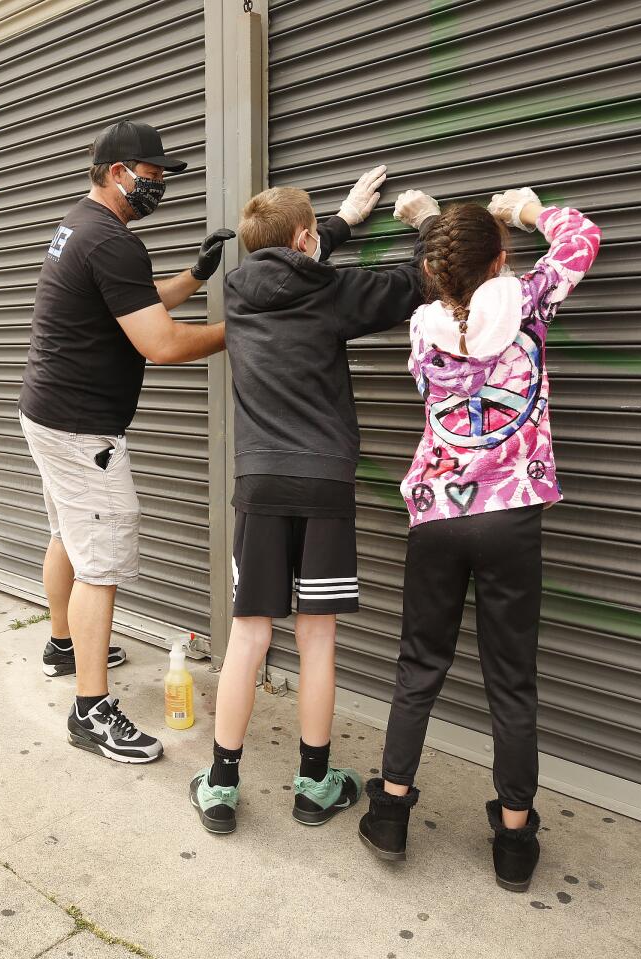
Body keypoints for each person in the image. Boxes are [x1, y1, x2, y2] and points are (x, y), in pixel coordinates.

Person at [357, 189, 601, 893]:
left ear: (434, 271)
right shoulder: (528, 302)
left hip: (437, 513)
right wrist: (527, 210)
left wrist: (430, 222)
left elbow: (450, 277)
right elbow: (581, 237)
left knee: (418, 666)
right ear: (501, 260)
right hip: (512, 514)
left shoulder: (421, 329)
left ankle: (393, 811)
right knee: (511, 680)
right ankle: (516, 842)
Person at [188, 170, 436, 834]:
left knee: (249, 634)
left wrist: (341, 222)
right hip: (325, 482)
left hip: (262, 482)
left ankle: (220, 784)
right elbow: (419, 282)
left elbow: (285, 255)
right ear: (306, 239)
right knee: (317, 633)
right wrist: (425, 223)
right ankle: (314, 783)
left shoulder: (236, 294)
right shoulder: (334, 291)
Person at [18, 119, 233, 763]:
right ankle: (92, 710)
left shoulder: (80, 227)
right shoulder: (111, 241)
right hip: (82, 428)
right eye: (154, 176)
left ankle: (63, 643)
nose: (161, 186)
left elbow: (131, 300)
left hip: (48, 414)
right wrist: (241, 328)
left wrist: (194, 278)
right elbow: (161, 342)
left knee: (69, 536)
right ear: (118, 173)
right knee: (102, 561)